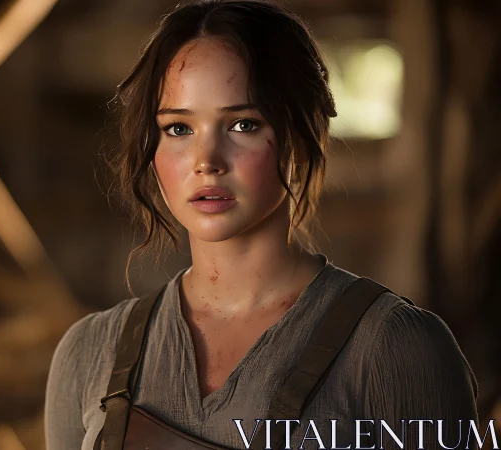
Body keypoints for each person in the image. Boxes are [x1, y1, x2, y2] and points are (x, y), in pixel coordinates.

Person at [45, 1, 479, 449]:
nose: (206, 161)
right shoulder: (90, 352)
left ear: (301, 134)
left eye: (243, 124)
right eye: (178, 128)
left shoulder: (397, 351)